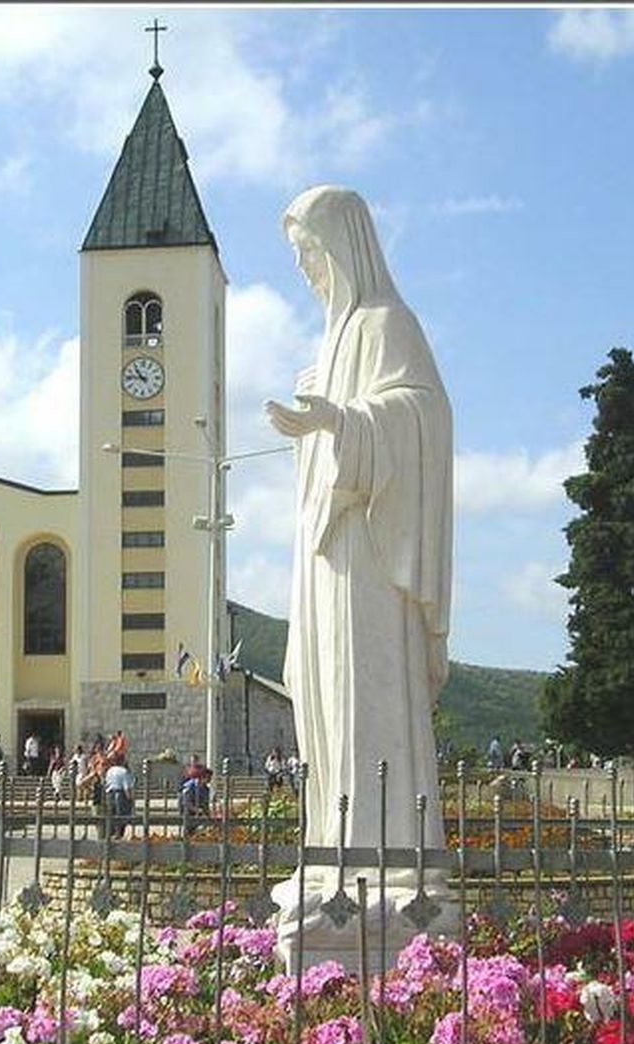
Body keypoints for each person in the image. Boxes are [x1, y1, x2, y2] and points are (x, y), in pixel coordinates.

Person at [264, 185, 453, 918]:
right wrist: (317, 421)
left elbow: (423, 417)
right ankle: (332, 850)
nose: (307, 268)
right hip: (326, 554)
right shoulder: (331, 341)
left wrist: (339, 420)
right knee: (325, 702)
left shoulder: (385, 324)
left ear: (345, 246)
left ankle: (391, 862)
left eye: (311, 252)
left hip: (370, 558)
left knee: (363, 696)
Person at [101, 756, 134, 840]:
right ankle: (118, 834)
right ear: (122, 761)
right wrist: (130, 799)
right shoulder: (124, 772)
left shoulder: (110, 771)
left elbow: (106, 783)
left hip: (110, 794)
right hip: (120, 794)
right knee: (121, 815)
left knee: (111, 815)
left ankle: (110, 834)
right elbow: (126, 787)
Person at [178, 765, 213, 836]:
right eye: (208, 778)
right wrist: (196, 809)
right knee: (189, 832)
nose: (210, 780)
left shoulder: (206, 789)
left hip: (199, 813)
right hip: (188, 813)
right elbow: (186, 802)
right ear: (202, 777)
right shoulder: (190, 786)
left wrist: (208, 814)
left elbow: (205, 804)